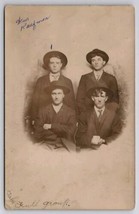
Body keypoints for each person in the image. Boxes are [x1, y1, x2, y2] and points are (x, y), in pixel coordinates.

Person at [29, 51, 76, 125]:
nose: (54, 65)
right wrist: (34, 118)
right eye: (52, 63)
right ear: (48, 65)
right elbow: (35, 101)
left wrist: (73, 119)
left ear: (61, 65)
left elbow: (71, 103)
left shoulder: (67, 82)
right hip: (43, 119)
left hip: (62, 120)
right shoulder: (41, 81)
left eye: (57, 63)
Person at [34, 81, 77, 151]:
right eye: (54, 94)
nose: (56, 97)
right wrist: (61, 130)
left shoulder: (70, 112)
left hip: (64, 145)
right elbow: (38, 132)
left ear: (63, 95)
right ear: (50, 95)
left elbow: (70, 131)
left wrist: (51, 126)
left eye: (59, 93)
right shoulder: (43, 110)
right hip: (46, 143)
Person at [75, 85, 121, 149]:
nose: (99, 99)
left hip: (107, 151)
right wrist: (90, 140)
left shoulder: (113, 116)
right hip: (88, 152)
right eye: (97, 96)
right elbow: (78, 138)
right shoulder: (84, 115)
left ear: (106, 98)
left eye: (102, 96)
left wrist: (105, 141)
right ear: (93, 98)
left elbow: (118, 135)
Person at [76, 49, 119, 116]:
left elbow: (115, 100)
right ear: (91, 63)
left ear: (104, 62)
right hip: (88, 115)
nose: (96, 62)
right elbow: (80, 99)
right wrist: (85, 114)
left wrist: (107, 115)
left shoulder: (111, 78)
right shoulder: (85, 78)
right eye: (93, 60)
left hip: (106, 115)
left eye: (99, 59)